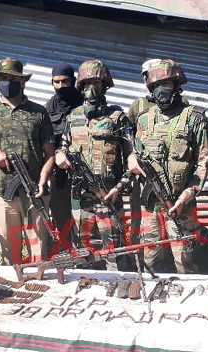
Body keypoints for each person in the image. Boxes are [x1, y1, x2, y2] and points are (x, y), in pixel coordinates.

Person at [122, 58, 208, 273]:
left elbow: (203, 163)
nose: (161, 89)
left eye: (166, 84)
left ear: (177, 85)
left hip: (181, 205)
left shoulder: (194, 118)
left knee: (184, 264)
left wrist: (185, 198)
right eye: (156, 85)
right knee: (151, 262)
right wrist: (131, 159)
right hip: (151, 206)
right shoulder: (144, 119)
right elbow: (137, 153)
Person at [0, 58, 56, 264]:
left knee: (38, 254)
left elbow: (50, 153)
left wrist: (43, 180)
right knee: (10, 255)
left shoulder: (38, 112)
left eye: (13, 79)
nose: (7, 83)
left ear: (23, 81)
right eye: (3, 78)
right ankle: (16, 283)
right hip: (1, 194)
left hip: (35, 193)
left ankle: (38, 281)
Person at [54, 59, 131, 269]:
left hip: (109, 195)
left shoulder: (117, 117)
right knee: (84, 251)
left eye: (96, 83)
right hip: (81, 198)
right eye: (87, 83)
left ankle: (118, 284)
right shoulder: (73, 117)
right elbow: (63, 147)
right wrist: (59, 155)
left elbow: (132, 159)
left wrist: (118, 188)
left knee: (114, 253)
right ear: (80, 86)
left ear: (105, 85)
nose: (91, 88)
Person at [46, 63, 84, 238]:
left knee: (86, 222)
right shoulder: (48, 108)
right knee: (61, 219)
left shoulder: (84, 103)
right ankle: (65, 250)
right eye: (57, 82)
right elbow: (45, 141)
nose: (61, 86)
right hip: (60, 173)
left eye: (65, 81)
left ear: (73, 81)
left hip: (84, 172)